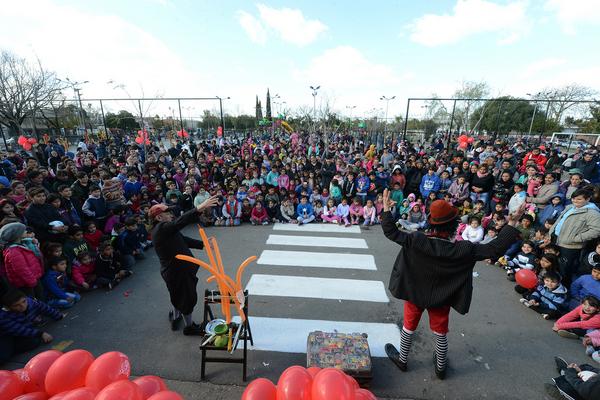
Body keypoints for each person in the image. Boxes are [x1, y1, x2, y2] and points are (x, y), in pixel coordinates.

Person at [382, 189, 524, 379]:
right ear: (454, 225)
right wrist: (512, 223)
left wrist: (386, 210)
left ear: (430, 222)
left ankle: (402, 359)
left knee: (408, 327)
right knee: (440, 332)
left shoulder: (416, 240)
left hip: (414, 294)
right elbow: (494, 249)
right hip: (442, 298)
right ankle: (441, 368)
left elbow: (391, 232)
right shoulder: (464, 249)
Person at [150, 195, 218, 335]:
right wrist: (199, 208)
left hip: (179, 270)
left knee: (177, 295)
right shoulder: (161, 229)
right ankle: (189, 326)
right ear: (159, 218)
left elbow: (183, 239)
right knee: (187, 298)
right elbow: (181, 221)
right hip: (177, 272)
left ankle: (176, 317)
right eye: (167, 213)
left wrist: (204, 244)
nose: (171, 215)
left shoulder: (166, 230)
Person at [550, 188, 600, 287]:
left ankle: (564, 288)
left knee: (564, 270)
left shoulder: (592, 213)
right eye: (573, 198)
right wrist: (551, 232)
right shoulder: (570, 207)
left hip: (570, 246)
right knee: (553, 264)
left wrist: (577, 238)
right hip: (556, 239)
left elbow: (596, 230)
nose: (575, 201)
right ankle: (551, 284)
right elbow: (559, 220)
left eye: (579, 199)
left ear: (587, 199)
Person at [0, 289, 63, 364]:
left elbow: (44, 308)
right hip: (6, 335)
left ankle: (12, 348)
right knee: (3, 357)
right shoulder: (4, 315)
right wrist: (41, 334)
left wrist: (58, 315)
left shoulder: (31, 301)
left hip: (21, 331)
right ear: (8, 307)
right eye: (16, 305)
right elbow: (18, 329)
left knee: (34, 342)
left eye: (24, 301)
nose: (23, 306)